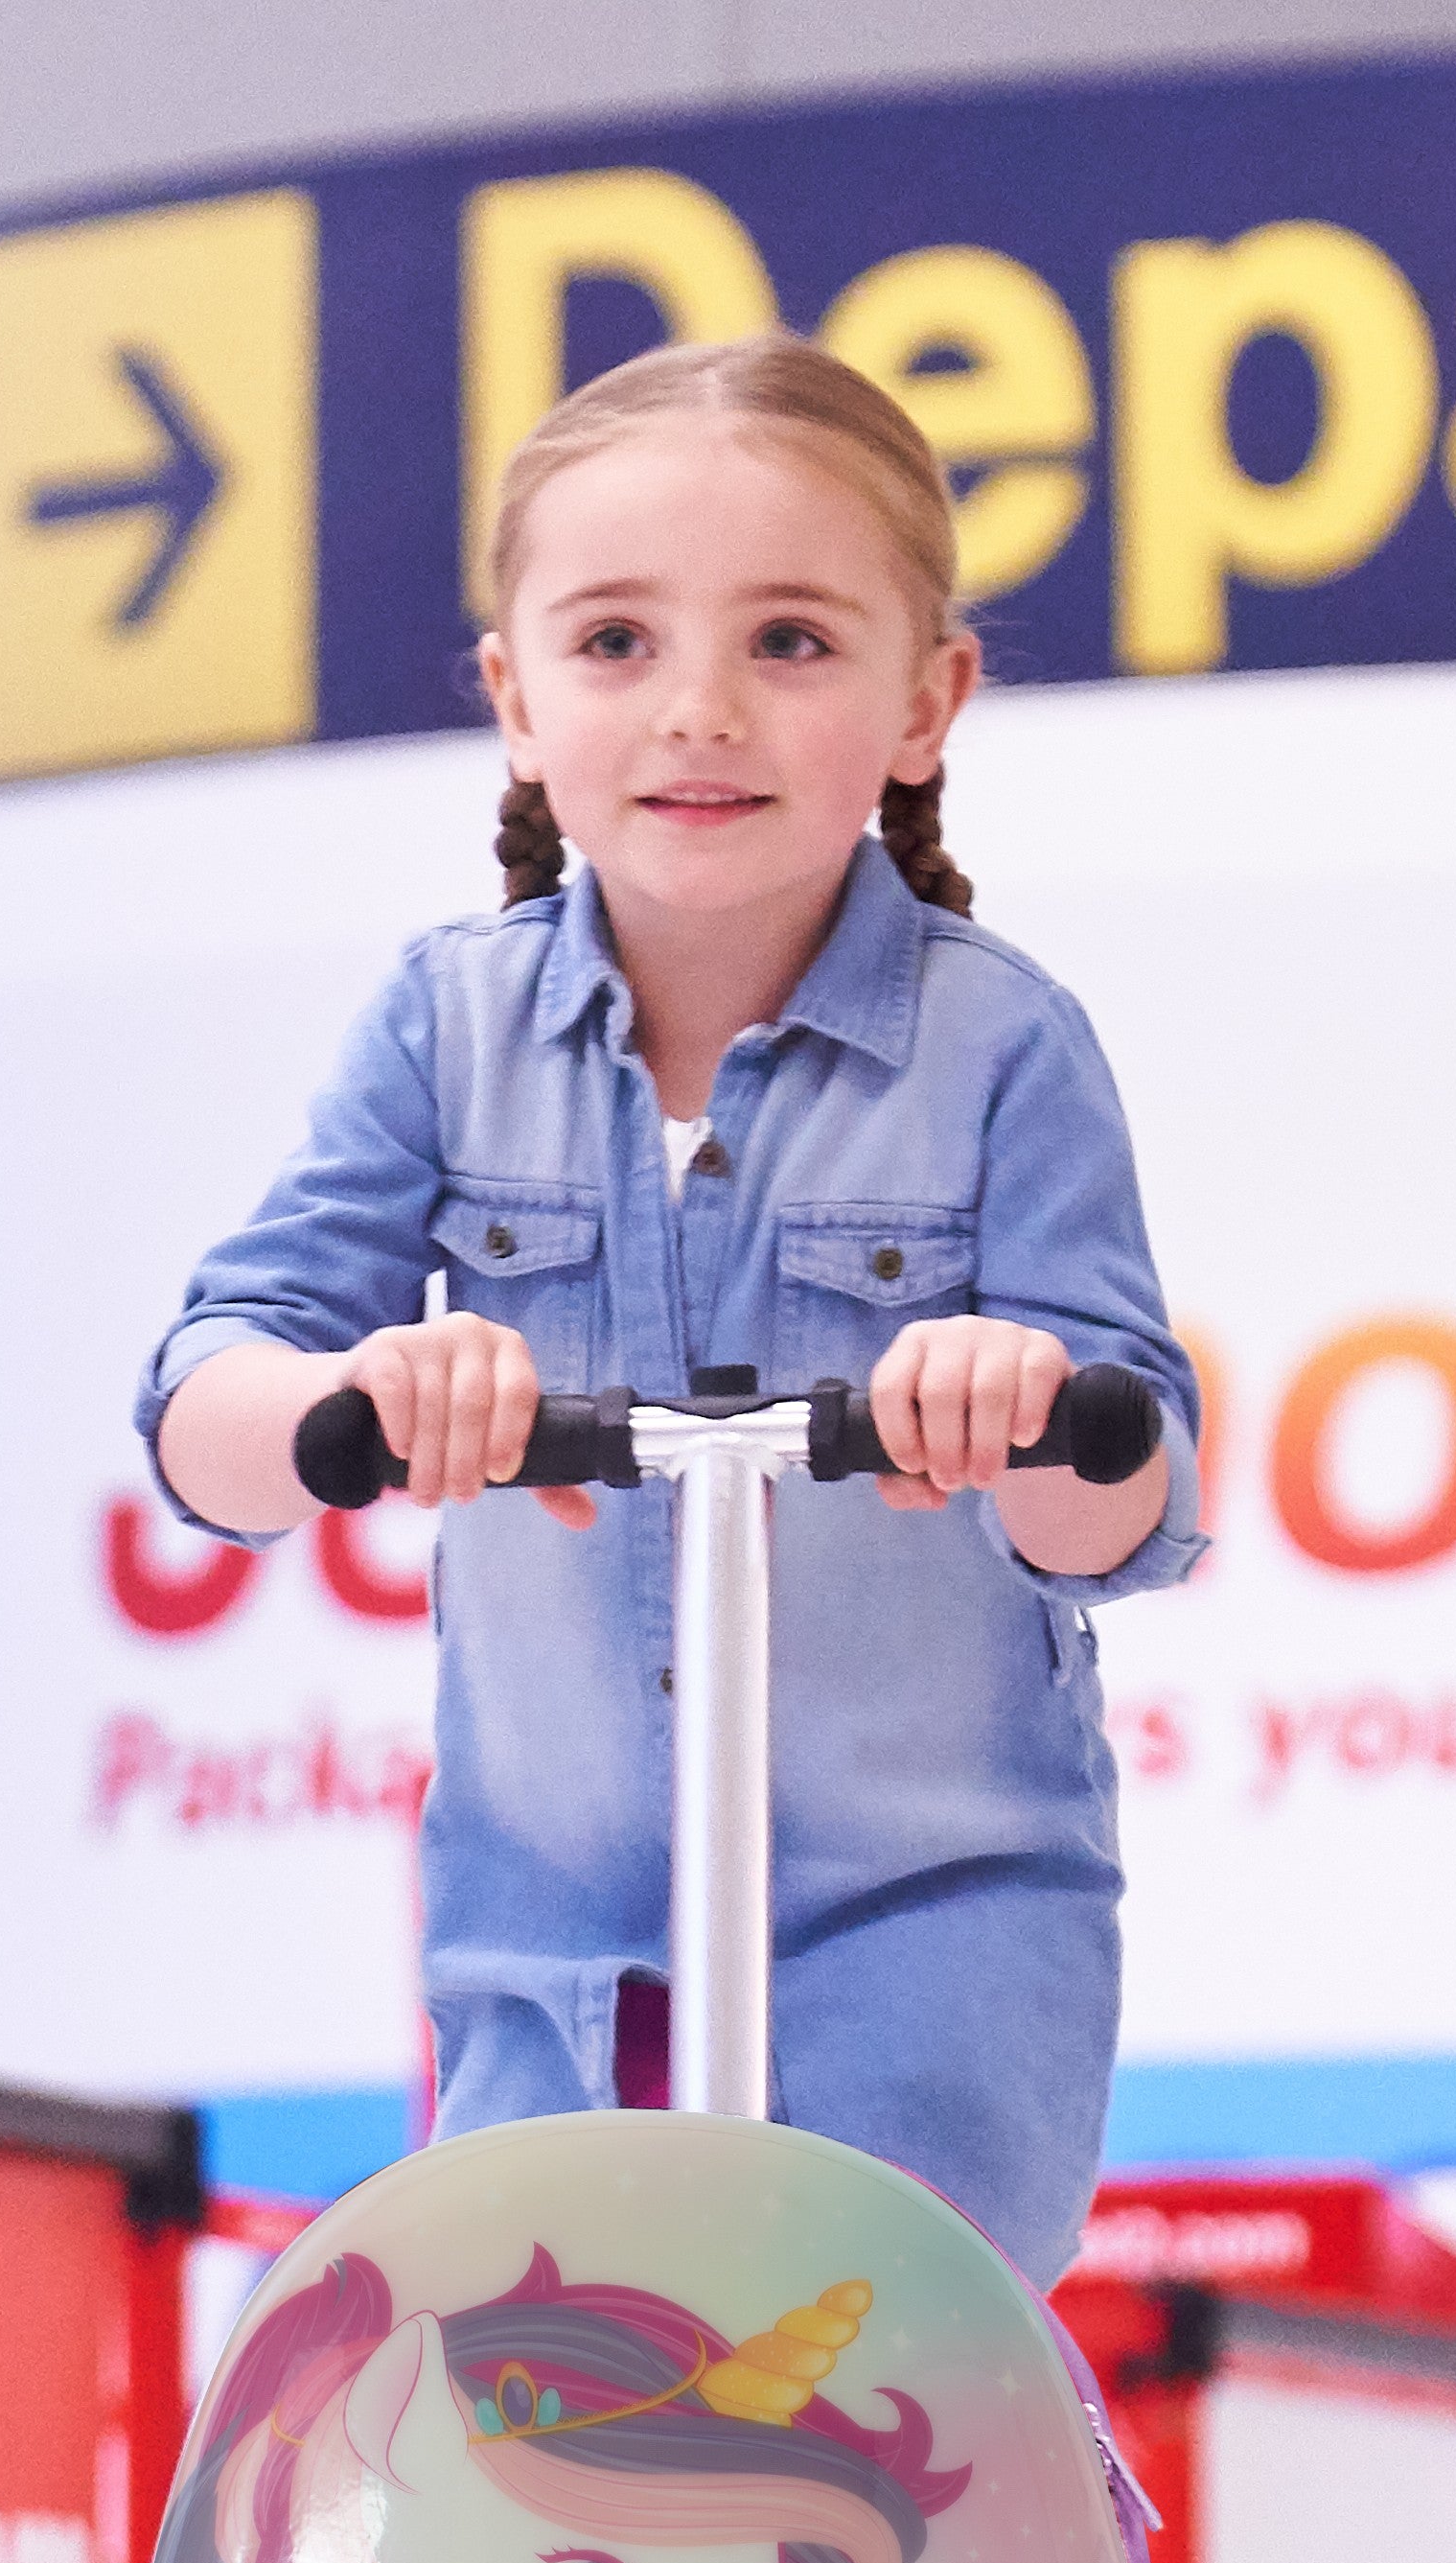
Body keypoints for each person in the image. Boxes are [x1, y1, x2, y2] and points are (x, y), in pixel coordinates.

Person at [142, 337, 1204, 2285]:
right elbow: (210, 1401)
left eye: (790, 643)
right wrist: (341, 1396)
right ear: (515, 701)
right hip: (554, 1943)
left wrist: (1028, 1400)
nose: (700, 709)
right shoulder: (445, 1029)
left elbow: (1128, 1494)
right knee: (553, 2449)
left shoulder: (1000, 1048)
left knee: (872, 2397)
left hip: (924, 1929)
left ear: (926, 700)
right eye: (616, 642)